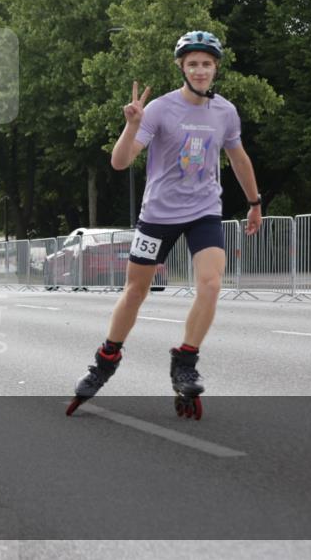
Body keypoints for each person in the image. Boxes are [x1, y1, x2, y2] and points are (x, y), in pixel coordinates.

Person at [67, 31, 263, 420]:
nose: (201, 70)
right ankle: (106, 357)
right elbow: (120, 162)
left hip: (205, 210)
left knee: (210, 283)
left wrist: (255, 203)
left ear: (215, 68)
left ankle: (185, 360)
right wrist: (131, 124)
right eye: (193, 64)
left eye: (207, 64)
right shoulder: (158, 109)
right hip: (157, 214)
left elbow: (239, 159)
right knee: (137, 291)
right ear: (182, 67)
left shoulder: (225, 111)